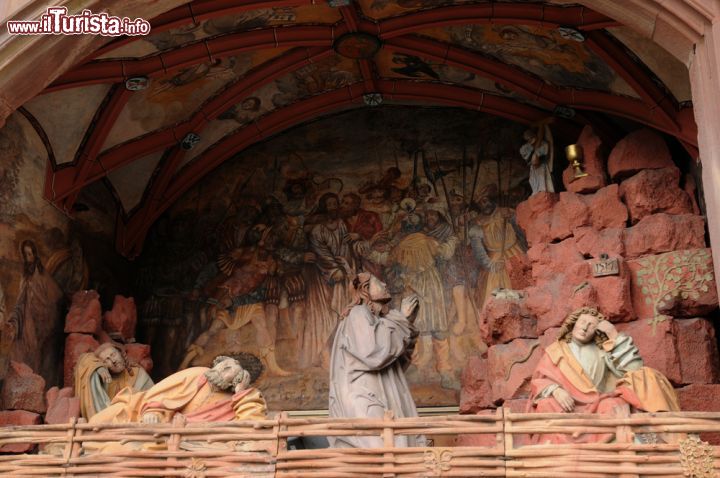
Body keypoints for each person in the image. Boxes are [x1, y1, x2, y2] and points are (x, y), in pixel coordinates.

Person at [528, 307, 680, 444]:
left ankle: (605, 448)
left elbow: (635, 369)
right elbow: (539, 379)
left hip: (596, 403)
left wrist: (613, 335)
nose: (585, 327)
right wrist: (555, 389)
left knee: (613, 405)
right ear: (573, 323)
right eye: (582, 322)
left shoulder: (602, 352)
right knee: (545, 404)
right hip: (567, 406)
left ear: (597, 331)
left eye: (591, 325)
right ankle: (555, 451)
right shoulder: (555, 350)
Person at [328, 272, 424, 448]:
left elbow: (396, 363)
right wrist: (401, 319)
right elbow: (374, 353)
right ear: (365, 289)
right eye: (380, 283)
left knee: (391, 452)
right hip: (366, 398)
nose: (385, 284)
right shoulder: (358, 314)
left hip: (381, 395)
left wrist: (407, 324)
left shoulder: (377, 320)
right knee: (376, 453)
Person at [90, 355, 267, 425]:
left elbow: (252, 423)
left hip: (174, 439)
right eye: (223, 364)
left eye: (230, 371)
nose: (223, 369)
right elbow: (159, 395)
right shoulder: (198, 373)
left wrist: (242, 393)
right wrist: (154, 412)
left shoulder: (237, 398)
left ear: (235, 382)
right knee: (96, 423)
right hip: (139, 409)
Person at [7, 240, 63, 383]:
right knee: (20, 351)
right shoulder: (25, 275)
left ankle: (34, 385)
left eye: (30, 254)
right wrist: (15, 318)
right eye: (26, 255)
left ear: (35, 254)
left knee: (36, 354)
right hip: (26, 319)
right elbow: (21, 299)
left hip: (40, 321)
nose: (28, 257)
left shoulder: (41, 274)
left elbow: (53, 297)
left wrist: (43, 312)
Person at [74, 342, 154, 419]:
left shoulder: (138, 374)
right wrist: (98, 367)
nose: (113, 361)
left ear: (120, 353)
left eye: (113, 355)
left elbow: (152, 397)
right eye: (106, 360)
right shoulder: (102, 381)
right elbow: (83, 360)